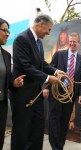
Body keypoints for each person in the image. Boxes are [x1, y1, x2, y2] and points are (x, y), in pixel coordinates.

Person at [10, 14, 64, 150]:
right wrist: (47, 78)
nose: (48, 33)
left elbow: (42, 64)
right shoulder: (22, 39)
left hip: (37, 95)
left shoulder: (38, 42)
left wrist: (56, 71)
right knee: (21, 132)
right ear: (41, 24)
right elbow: (26, 67)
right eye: (49, 29)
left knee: (37, 132)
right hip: (23, 95)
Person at [48, 32, 81, 150]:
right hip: (56, 93)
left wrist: (80, 94)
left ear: (78, 43)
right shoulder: (59, 54)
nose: (72, 43)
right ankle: (55, 147)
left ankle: (60, 146)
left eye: (74, 41)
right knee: (54, 121)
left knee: (64, 122)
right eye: (70, 41)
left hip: (70, 96)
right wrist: (46, 87)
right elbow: (49, 69)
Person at [0, 18, 25, 150]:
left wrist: (14, 83)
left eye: (8, 30)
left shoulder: (6, 55)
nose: (7, 33)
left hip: (2, 106)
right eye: (4, 30)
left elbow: (8, 78)